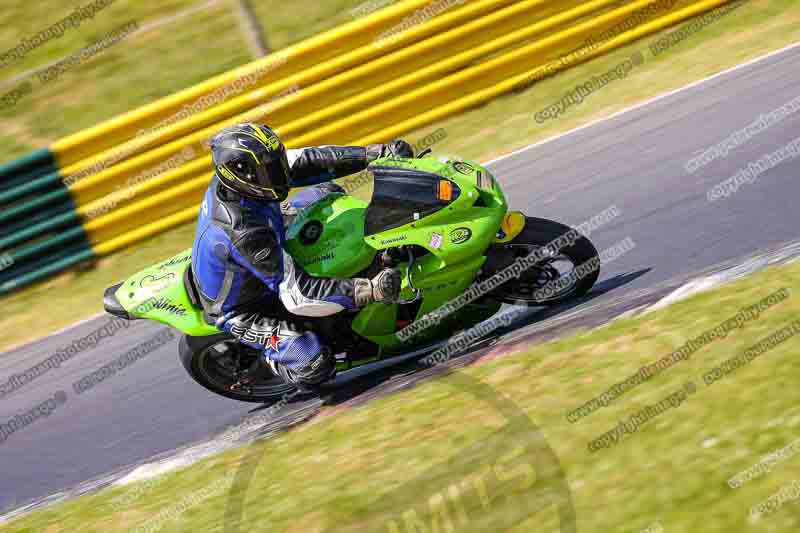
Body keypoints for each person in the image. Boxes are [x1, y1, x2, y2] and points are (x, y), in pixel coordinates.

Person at [191, 123, 414, 391]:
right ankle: (271, 362)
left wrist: (376, 154)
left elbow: (311, 161)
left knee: (328, 192)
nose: (280, 172)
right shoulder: (243, 231)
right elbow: (299, 295)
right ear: (244, 176)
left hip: (271, 234)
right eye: (271, 169)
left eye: (276, 163)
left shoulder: (252, 180)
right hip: (247, 306)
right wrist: (370, 289)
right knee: (315, 364)